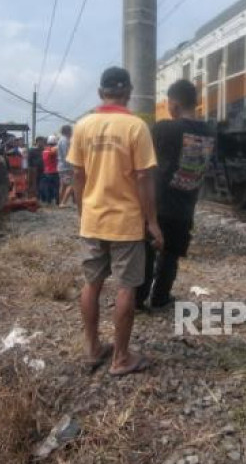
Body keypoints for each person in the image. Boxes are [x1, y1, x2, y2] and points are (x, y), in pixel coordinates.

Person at [67, 66, 162, 376]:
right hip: (126, 222)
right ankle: (121, 358)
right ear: (129, 93)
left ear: (100, 93)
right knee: (125, 288)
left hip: (93, 220)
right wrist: (152, 222)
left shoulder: (82, 127)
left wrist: (84, 212)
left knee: (91, 284)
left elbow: (77, 176)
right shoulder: (136, 128)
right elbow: (144, 178)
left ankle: (93, 348)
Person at [137, 79, 215, 310]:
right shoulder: (210, 131)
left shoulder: (164, 128)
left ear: (174, 103)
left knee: (148, 252)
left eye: (168, 103)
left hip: (158, 203)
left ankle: (138, 299)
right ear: (196, 102)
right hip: (185, 206)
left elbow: (148, 163)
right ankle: (161, 297)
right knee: (171, 256)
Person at [57, 125, 75, 208]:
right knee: (72, 184)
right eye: (71, 130)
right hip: (67, 166)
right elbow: (66, 154)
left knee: (63, 185)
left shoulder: (61, 140)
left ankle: (60, 202)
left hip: (62, 166)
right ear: (67, 131)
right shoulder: (65, 140)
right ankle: (63, 202)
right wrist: (72, 164)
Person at [41, 135, 60, 205]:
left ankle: (48, 201)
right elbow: (56, 151)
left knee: (48, 187)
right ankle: (57, 201)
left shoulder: (44, 151)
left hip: (46, 171)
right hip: (54, 171)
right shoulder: (53, 150)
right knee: (56, 187)